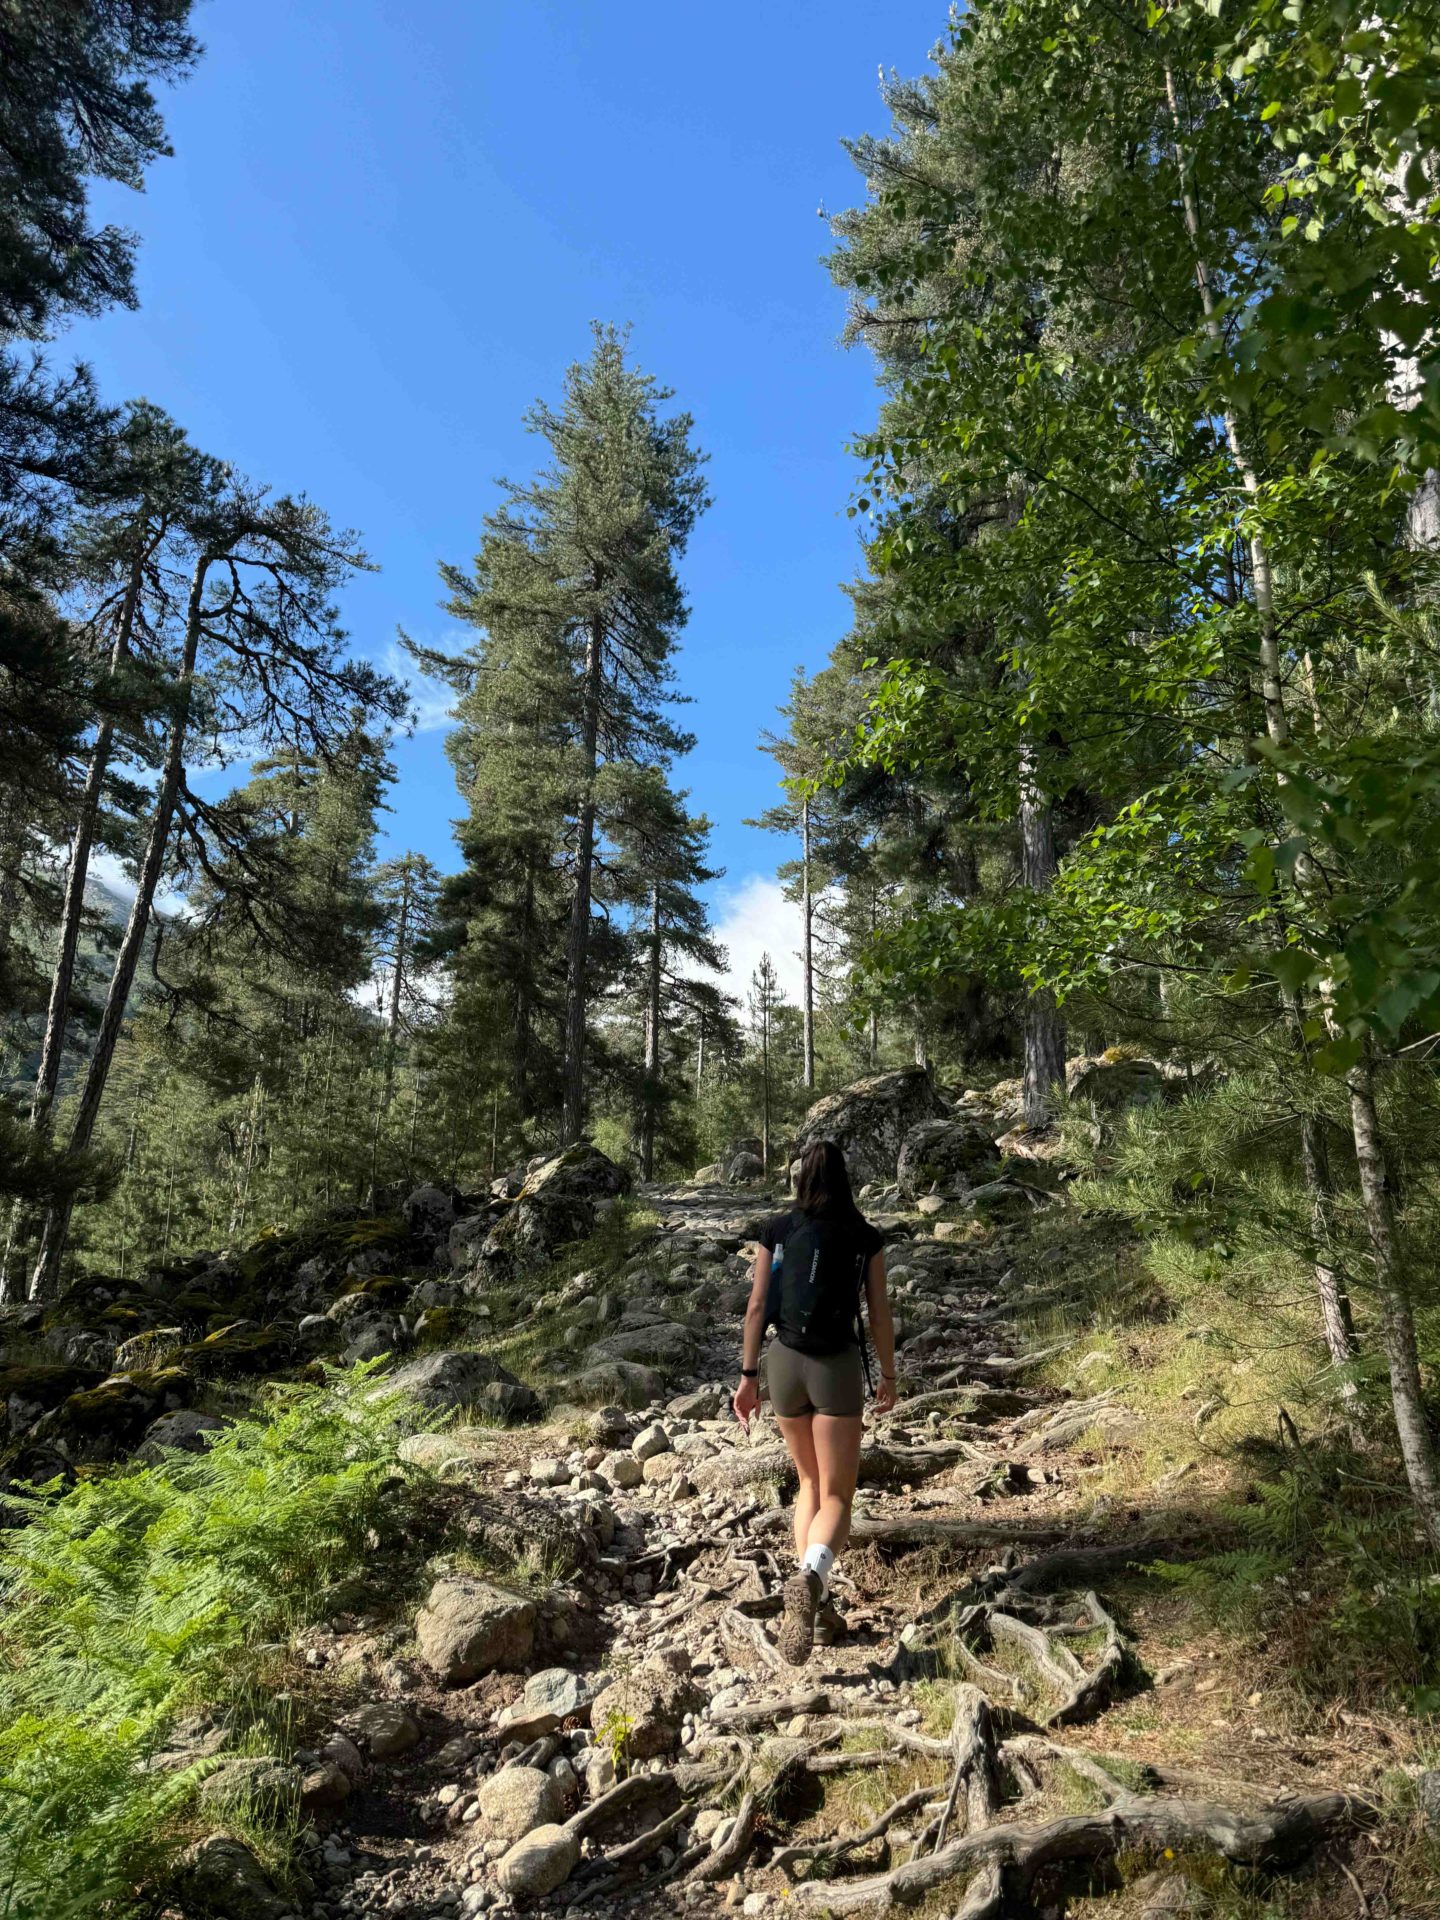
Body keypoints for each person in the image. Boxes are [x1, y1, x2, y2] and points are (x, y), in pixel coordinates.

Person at [732, 1138, 898, 1665]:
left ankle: (813, 1610)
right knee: (838, 1498)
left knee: (807, 1483)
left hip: (783, 1362)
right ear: (846, 1179)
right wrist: (889, 1374)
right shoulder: (864, 1236)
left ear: (802, 1178)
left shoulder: (777, 1230)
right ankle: (810, 1577)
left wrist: (747, 1376)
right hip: (835, 1366)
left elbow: (758, 1305)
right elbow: (877, 1314)